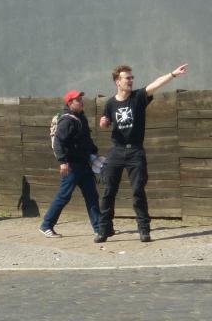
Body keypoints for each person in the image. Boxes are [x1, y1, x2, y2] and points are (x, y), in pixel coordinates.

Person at [94, 63, 189, 243]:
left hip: (135, 151)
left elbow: (156, 84)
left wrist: (173, 74)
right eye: (127, 78)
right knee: (108, 191)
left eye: (131, 77)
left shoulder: (138, 97)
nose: (131, 80)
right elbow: (105, 122)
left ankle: (144, 230)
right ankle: (104, 229)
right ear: (117, 82)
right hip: (116, 151)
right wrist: (104, 123)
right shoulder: (110, 103)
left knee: (138, 191)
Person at [38, 90, 100, 238]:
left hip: (84, 165)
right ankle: (46, 225)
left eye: (81, 99)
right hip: (71, 166)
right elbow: (59, 142)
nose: (81, 101)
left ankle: (99, 228)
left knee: (92, 196)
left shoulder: (81, 117)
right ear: (70, 103)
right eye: (77, 99)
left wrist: (94, 153)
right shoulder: (67, 120)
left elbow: (86, 140)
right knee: (64, 196)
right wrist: (62, 162)